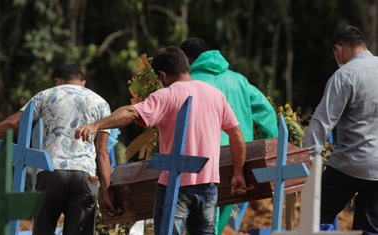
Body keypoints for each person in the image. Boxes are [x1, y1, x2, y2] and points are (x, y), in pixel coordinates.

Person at [74, 46, 247, 235]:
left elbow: (131, 112)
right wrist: (238, 172)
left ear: (162, 75)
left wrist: (95, 126)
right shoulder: (215, 95)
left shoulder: (166, 95)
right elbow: (237, 135)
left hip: (175, 186)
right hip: (208, 184)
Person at [0, 63, 116, 235]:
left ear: (57, 81)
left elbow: (14, 123)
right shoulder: (101, 102)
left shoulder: (45, 95)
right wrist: (105, 191)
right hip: (85, 175)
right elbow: (103, 152)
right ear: (82, 82)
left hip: (51, 172)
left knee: (43, 229)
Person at [180, 37, 278, 233]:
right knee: (215, 222)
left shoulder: (190, 84)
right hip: (239, 160)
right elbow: (267, 112)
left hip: (204, 163)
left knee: (200, 225)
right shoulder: (239, 80)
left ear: (188, 61)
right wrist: (270, 150)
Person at [303, 26, 378, 234]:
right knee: (370, 229)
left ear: (339, 49)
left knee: (313, 215)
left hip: (351, 163)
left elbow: (323, 120)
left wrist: (306, 159)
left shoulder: (344, 75)